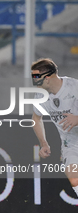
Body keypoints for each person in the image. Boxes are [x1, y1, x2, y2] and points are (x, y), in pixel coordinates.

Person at [31, 58, 78, 197]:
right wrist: (43, 142)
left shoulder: (74, 87)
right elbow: (36, 118)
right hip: (71, 145)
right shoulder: (40, 96)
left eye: (36, 77)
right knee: (74, 178)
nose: (34, 82)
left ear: (48, 77)